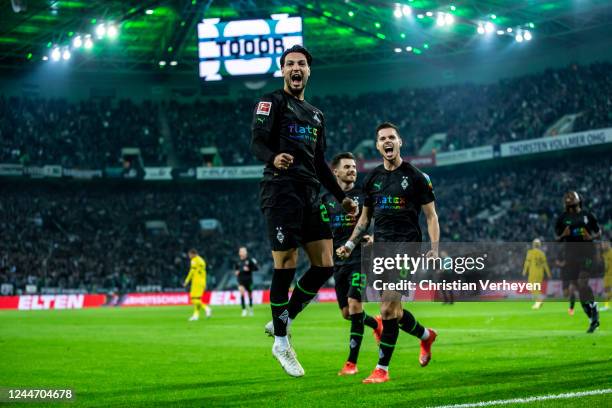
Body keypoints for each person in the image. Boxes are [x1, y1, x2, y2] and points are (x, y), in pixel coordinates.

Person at [250, 44, 358, 377]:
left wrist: (341, 196)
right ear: (283, 70)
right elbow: (256, 141)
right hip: (281, 190)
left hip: (311, 192)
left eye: (302, 64)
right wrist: (273, 157)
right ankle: (281, 343)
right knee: (286, 262)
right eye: (290, 64)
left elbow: (321, 163)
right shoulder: (271, 102)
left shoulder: (315, 114)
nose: (296, 69)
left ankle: (285, 318)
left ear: (309, 72)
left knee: (325, 263)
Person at [337, 122, 439, 384]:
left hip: (408, 246)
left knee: (386, 306)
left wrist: (434, 248)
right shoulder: (372, 179)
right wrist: (350, 244)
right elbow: (364, 219)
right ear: (377, 145)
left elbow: (431, 216)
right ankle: (426, 336)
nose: (387, 141)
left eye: (391, 137)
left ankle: (382, 369)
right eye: (382, 138)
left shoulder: (417, 177)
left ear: (400, 142)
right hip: (381, 249)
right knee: (395, 312)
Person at [321, 152, 383, 376]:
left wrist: (376, 237)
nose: (352, 170)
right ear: (335, 171)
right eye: (347, 167)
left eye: (354, 167)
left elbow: (382, 217)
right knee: (347, 313)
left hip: (361, 257)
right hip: (338, 261)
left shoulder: (364, 195)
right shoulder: (326, 200)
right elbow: (323, 230)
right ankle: (377, 325)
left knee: (355, 305)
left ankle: (351, 364)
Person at [554, 191, 601, 333]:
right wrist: (563, 235)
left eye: (572, 204)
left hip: (587, 254)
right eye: (568, 204)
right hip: (571, 257)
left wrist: (590, 236)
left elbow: (598, 232)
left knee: (582, 283)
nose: (571, 207)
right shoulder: (562, 219)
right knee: (580, 290)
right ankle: (592, 317)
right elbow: (556, 238)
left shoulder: (588, 216)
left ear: (579, 202)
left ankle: (594, 311)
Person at [522, 238, 551, 309]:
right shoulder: (542, 254)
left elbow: (527, 262)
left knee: (533, 288)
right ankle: (537, 303)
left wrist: (524, 271)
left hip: (533, 273)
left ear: (533, 245)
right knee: (536, 288)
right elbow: (545, 264)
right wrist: (548, 273)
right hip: (540, 274)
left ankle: (540, 299)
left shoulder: (530, 252)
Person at [183, 249, 211, 321]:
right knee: (197, 299)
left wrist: (186, 281)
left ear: (193, 254)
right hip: (201, 282)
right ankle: (196, 315)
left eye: (189, 255)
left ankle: (206, 308)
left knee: (193, 299)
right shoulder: (201, 260)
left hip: (197, 282)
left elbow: (191, 272)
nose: (189, 256)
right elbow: (203, 272)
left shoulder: (194, 260)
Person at [234, 246, 259, 317]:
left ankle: (250, 308)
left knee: (249, 294)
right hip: (240, 280)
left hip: (249, 280)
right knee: (241, 293)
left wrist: (249, 269)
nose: (242, 252)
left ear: (246, 252)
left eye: (244, 251)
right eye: (241, 251)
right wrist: (236, 272)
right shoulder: (237, 261)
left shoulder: (250, 260)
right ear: (239, 253)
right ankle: (244, 310)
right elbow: (236, 270)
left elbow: (256, 268)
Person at [600, 241, 611, 311]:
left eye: (604, 244)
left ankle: (606, 306)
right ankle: (606, 306)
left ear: (608, 244)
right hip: (606, 275)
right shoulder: (604, 254)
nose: (602, 246)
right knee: (607, 290)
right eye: (602, 245)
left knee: (609, 290)